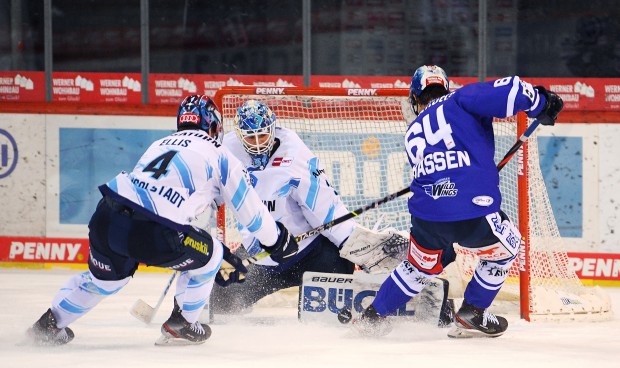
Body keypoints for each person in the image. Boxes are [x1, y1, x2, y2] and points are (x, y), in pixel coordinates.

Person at [25, 95, 298, 346]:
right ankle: (183, 324)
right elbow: (251, 213)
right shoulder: (220, 154)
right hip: (152, 232)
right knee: (213, 256)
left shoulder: (159, 145)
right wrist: (276, 241)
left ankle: (49, 325)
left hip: (107, 217)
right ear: (215, 127)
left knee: (105, 281)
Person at [354, 65, 564, 338]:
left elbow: (441, 166)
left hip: (426, 217)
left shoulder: (413, 131)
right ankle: (474, 310)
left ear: (415, 98)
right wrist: (542, 102)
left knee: (417, 267)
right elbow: (511, 89)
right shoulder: (462, 98)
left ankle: (373, 317)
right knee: (507, 247)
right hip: (471, 211)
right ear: (446, 88)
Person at [209, 99, 415, 316]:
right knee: (218, 303)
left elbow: (326, 209)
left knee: (330, 314)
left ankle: (398, 290)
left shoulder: (294, 152)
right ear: (240, 135)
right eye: (251, 137)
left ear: (273, 128)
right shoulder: (226, 151)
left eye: (263, 135)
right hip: (262, 257)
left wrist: (355, 246)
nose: (258, 143)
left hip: (310, 254)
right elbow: (209, 193)